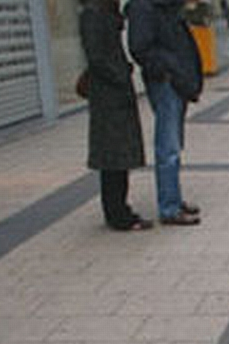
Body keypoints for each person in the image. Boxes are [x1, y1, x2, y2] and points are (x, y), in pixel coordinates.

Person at [126, 0, 203, 225]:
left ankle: (174, 199)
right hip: (166, 83)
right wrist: (166, 70)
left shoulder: (167, 7)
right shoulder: (145, 7)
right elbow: (139, 48)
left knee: (174, 145)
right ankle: (169, 208)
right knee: (168, 147)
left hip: (177, 81)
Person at [80, 0, 152, 231]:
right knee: (112, 158)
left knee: (119, 158)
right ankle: (117, 213)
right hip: (108, 98)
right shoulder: (93, 15)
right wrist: (120, 75)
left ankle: (120, 208)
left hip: (116, 95)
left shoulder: (105, 13)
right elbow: (97, 58)